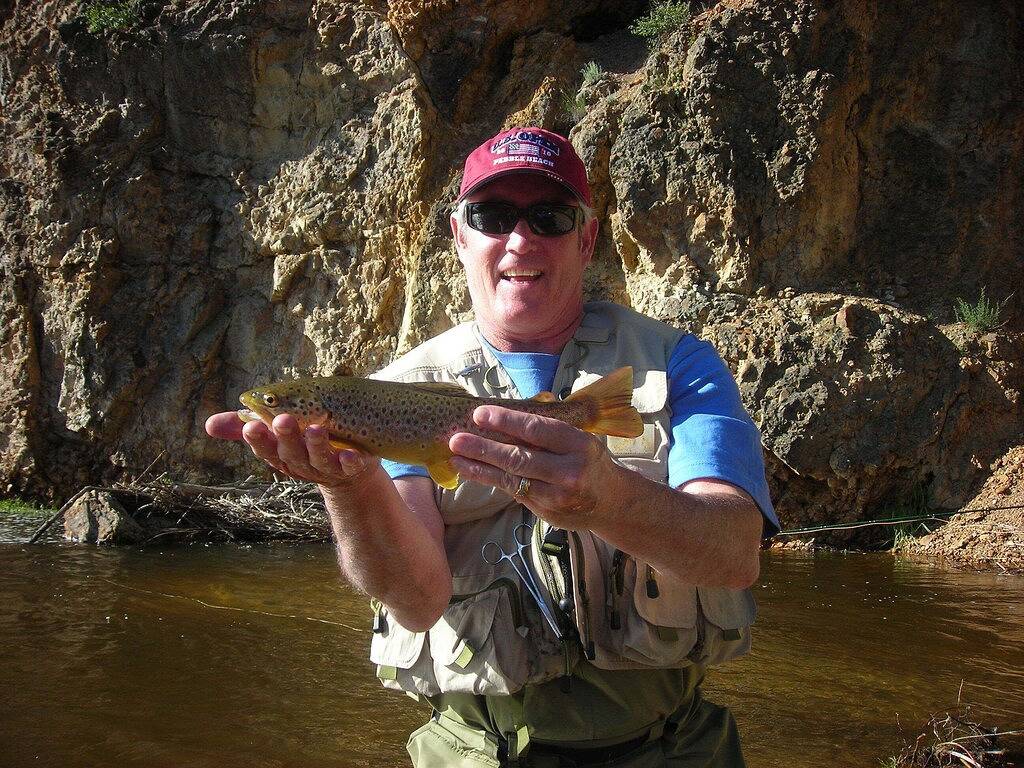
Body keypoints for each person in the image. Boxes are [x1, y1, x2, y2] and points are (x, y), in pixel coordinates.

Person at [206, 126, 778, 767]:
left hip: (672, 751)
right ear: (459, 234)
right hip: (477, 754)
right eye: (493, 215)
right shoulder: (393, 391)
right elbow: (418, 602)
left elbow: (733, 555)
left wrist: (606, 498)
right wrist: (350, 486)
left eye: (550, 217)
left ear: (587, 239)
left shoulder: (680, 365)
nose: (521, 237)